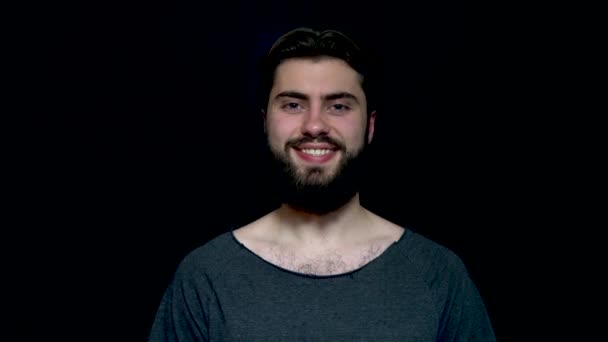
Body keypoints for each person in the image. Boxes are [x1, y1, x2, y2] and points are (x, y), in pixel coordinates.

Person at [149, 27, 497, 341]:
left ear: (370, 126)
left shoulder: (437, 275)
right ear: (266, 122)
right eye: (293, 104)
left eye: (339, 106)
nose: (314, 125)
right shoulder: (205, 277)